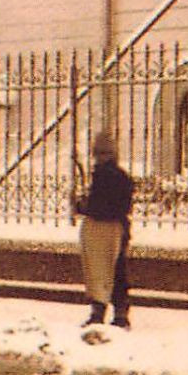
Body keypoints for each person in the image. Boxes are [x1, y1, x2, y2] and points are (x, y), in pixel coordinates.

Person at [73, 130, 134, 329]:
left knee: (100, 271)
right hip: (118, 229)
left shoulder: (106, 177)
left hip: (106, 230)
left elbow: (103, 207)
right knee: (115, 271)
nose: (98, 158)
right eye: (97, 153)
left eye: (102, 153)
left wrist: (83, 207)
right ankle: (119, 312)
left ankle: (101, 312)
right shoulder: (119, 176)